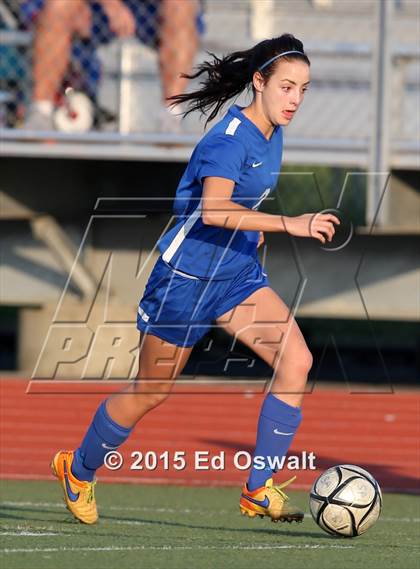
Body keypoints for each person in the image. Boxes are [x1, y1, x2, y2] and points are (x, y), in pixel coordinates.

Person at [51, 33, 340, 524]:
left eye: (303, 89)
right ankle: (78, 469)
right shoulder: (228, 141)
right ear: (259, 82)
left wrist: (257, 235)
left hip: (235, 276)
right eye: (287, 87)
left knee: (297, 360)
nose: (295, 99)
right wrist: (289, 224)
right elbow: (214, 209)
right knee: (151, 392)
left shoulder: (274, 133)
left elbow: (242, 206)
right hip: (184, 281)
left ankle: (257, 488)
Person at [21, 0, 201, 130]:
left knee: (180, 5)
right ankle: (40, 112)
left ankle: (170, 116)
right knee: (60, 5)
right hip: (96, 6)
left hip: (149, 6)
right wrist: (111, 4)